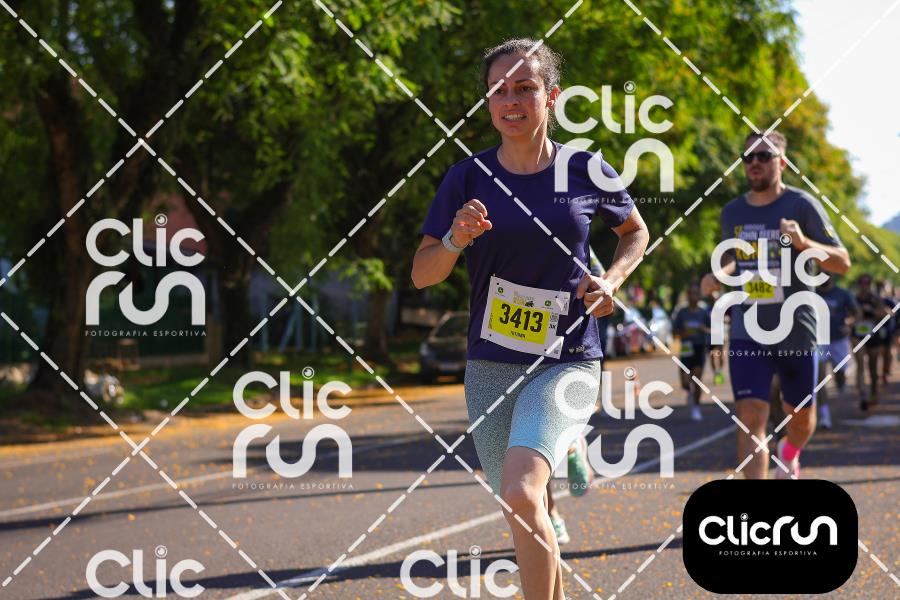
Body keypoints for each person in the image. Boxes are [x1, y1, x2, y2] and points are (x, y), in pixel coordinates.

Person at [412, 38, 649, 600]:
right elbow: (423, 274)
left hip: (567, 359)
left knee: (521, 493)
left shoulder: (586, 169)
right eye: (499, 90)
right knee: (524, 505)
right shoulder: (466, 178)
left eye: (525, 88)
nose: (511, 100)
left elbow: (635, 231)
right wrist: (455, 239)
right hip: (491, 363)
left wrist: (612, 280)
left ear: (552, 96)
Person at [701, 131, 850, 479]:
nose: (754, 163)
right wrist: (717, 273)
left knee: (801, 416)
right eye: (748, 157)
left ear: (782, 162)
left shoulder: (802, 205)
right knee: (750, 415)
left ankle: (790, 451)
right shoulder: (732, 212)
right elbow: (734, 258)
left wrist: (803, 242)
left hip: (796, 327)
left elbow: (842, 262)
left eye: (763, 156)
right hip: (749, 326)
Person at [547, 246, 606, 546]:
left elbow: (603, 280)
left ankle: (570, 442)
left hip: (567, 343)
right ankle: (550, 514)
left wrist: (601, 289)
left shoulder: (573, 237)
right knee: (519, 446)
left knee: (539, 433)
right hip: (508, 345)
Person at [815, 275, 858, 428]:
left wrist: (848, 324)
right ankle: (824, 415)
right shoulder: (812, 293)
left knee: (840, 374)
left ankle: (841, 383)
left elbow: (856, 312)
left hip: (839, 339)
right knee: (820, 378)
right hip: (819, 340)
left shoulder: (842, 293)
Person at [672, 283, 712, 421]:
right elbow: (675, 331)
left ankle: (696, 407)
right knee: (685, 381)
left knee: (697, 380)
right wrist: (683, 333)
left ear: (699, 295)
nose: (693, 296)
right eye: (691, 293)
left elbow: (713, 330)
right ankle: (689, 392)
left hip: (699, 347)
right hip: (686, 348)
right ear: (688, 295)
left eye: (696, 293)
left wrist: (703, 329)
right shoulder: (682, 313)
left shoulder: (703, 312)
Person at [853, 274, 890, 410]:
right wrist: (856, 315)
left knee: (873, 367)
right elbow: (848, 315)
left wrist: (871, 311)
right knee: (860, 365)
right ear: (858, 285)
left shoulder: (876, 298)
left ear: (870, 284)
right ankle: (863, 395)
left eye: (867, 283)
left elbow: (886, 314)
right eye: (862, 283)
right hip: (857, 335)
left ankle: (874, 392)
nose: (864, 286)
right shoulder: (854, 299)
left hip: (873, 335)